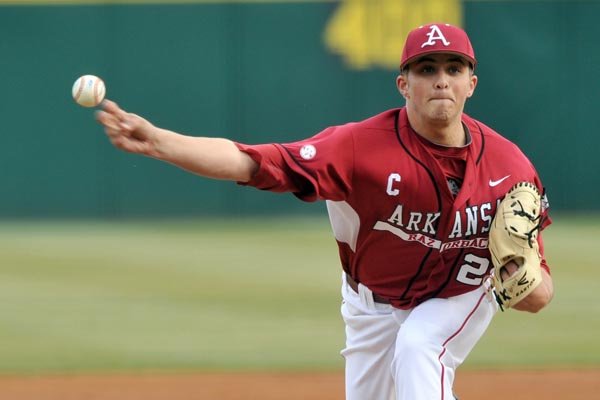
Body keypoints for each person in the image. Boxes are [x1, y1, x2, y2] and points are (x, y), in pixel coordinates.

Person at [96, 23, 554, 400]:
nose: (440, 79)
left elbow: (539, 295)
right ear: (403, 84)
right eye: (425, 68)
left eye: (454, 68)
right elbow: (255, 161)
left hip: (458, 292)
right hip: (371, 303)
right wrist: (159, 143)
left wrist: (521, 276)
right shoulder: (358, 148)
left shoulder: (509, 166)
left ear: (471, 84)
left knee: (420, 348)